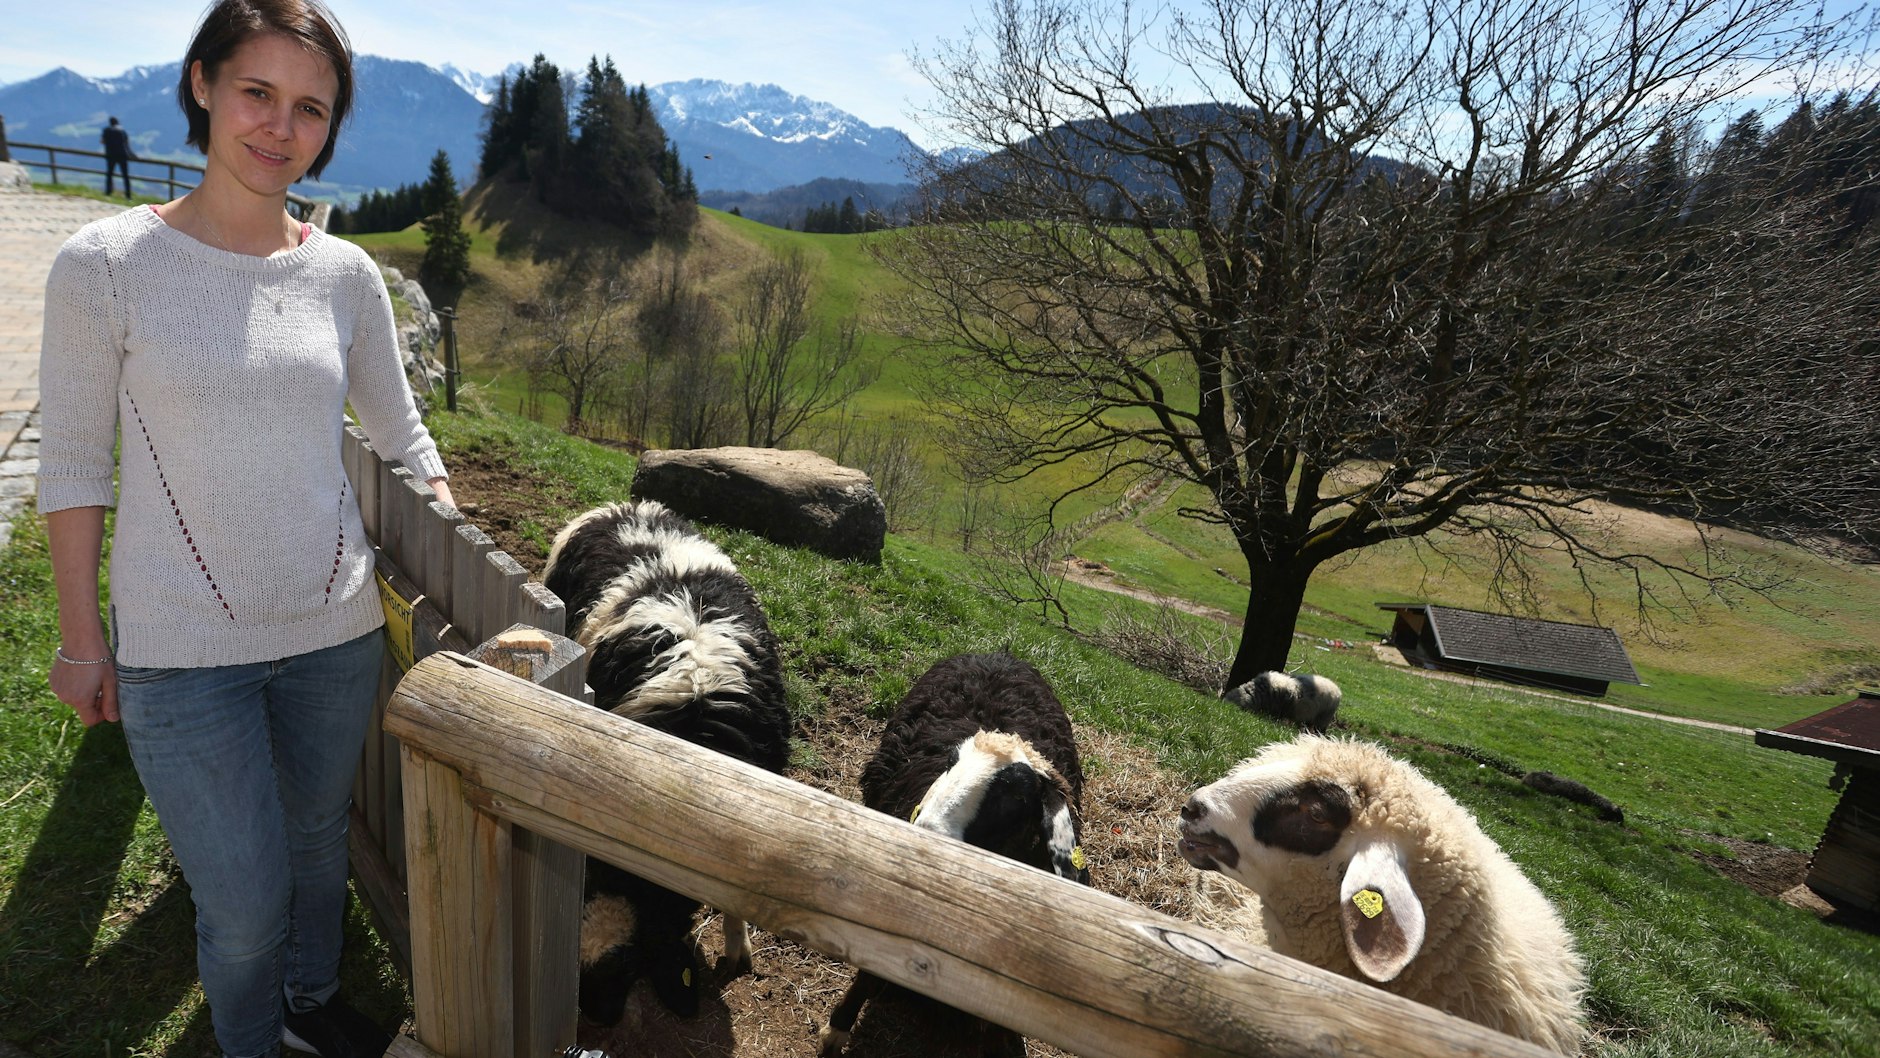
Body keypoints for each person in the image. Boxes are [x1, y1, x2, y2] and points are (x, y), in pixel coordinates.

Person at [38, 3, 452, 1056]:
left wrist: (450, 516)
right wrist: (82, 638)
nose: (280, 127)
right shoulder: (104, 266)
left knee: (317, 843)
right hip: (181, 654)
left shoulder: (345, 275)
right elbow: (75, 463)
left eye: (310, 108)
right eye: (257, 93)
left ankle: (311, 1002)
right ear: (203, 85)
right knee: (243, 904)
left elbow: (401, 431)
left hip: (335, 634)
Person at [100, 116, 136, 197]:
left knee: (109, 174)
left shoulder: (106, 130)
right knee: (125, 175)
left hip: (111, 155)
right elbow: (127, 144)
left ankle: (108, 192)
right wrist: (132, 154)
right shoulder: (122, 131)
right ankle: (128, 195)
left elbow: (102, 141)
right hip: (122, 155)